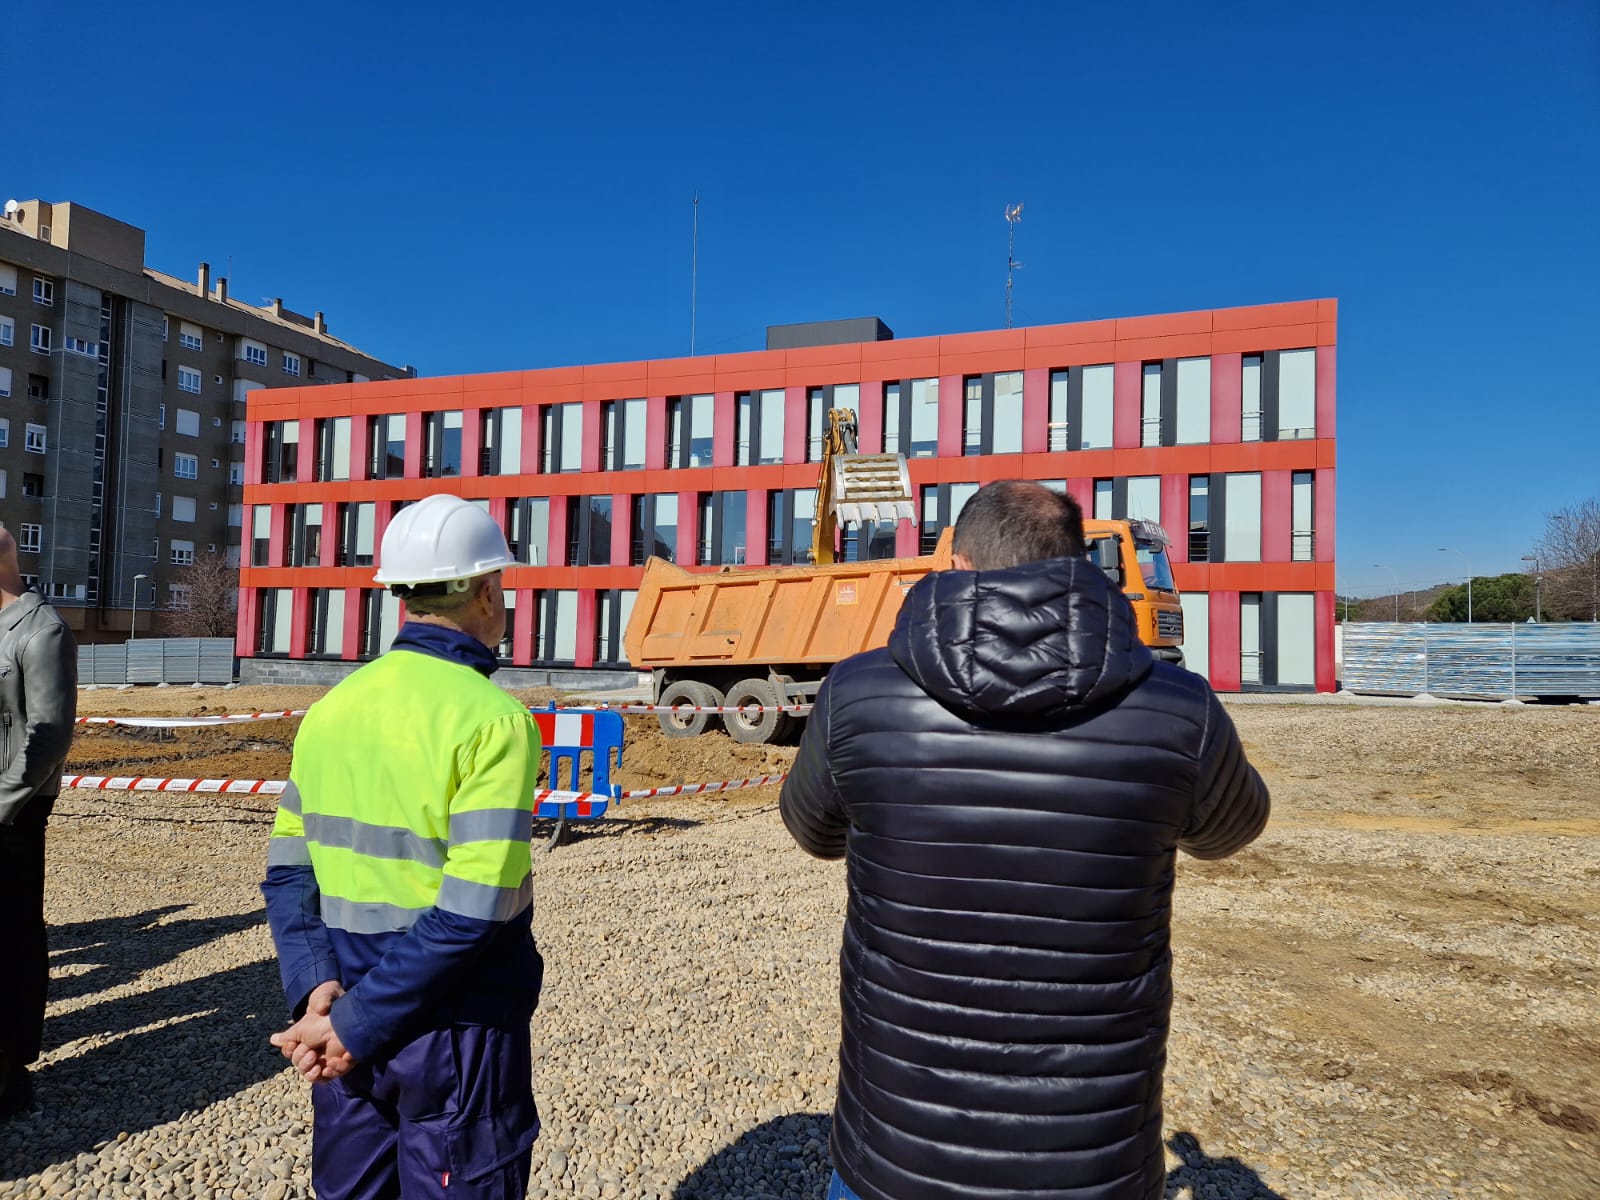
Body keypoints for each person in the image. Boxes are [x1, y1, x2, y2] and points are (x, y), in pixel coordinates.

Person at [780, 480, 1270, 1200]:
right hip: (1093, 1162)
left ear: (957, 559)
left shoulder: (857, 695)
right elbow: (1233, 830)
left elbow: (811, 830)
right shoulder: (1179, 710)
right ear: (1079, 563)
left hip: (894, 1152)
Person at [263, 493, 544, 1199]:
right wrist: (356, 1020)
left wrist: (317, 990)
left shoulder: (330, 712)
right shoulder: (493, 721)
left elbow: (290, 877)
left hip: (344, 1009)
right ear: (486, 591)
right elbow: (473, 912)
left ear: (399, 594)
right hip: (453, 1030)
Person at [0, 524, 77, 1119]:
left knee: (13, 937)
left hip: (11, 818)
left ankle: (11, 1068)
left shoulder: (41, 629)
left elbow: (47, 737)